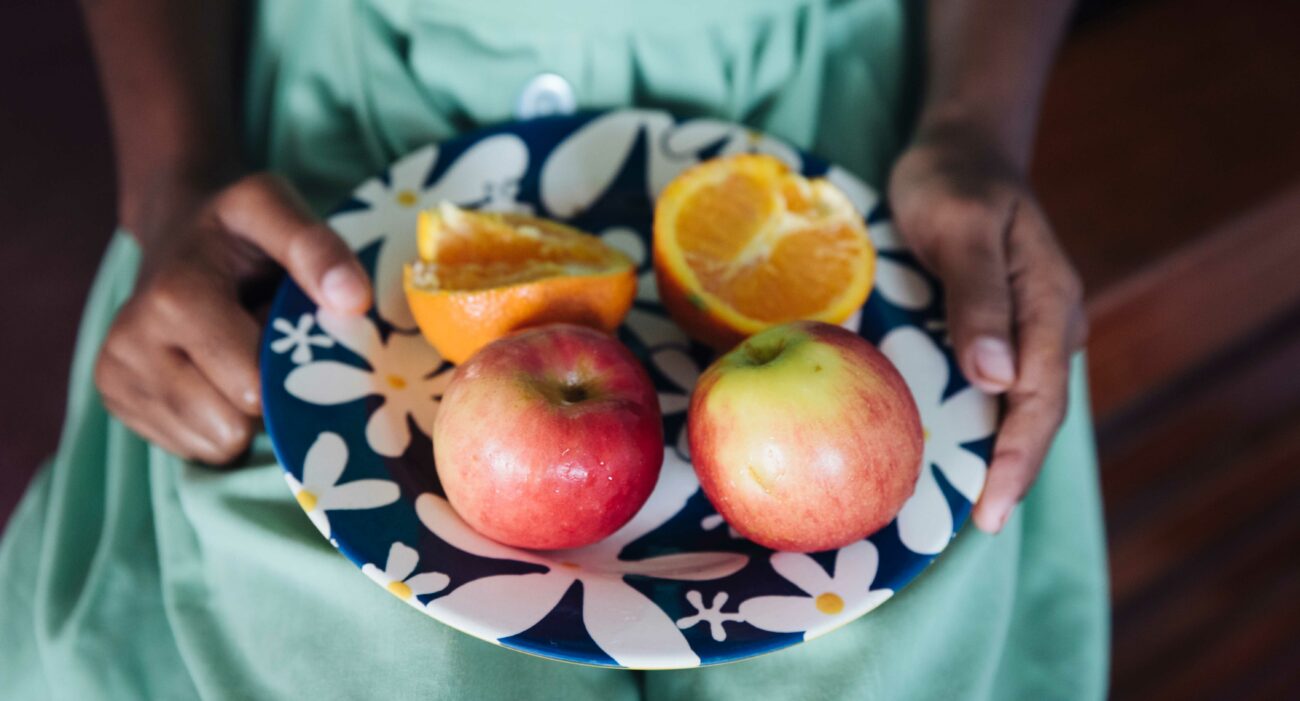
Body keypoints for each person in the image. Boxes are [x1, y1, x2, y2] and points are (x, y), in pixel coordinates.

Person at [0, 0, 1106, 698]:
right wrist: (171, 177)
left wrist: (972, 127)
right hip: (329, 192)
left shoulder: (828, 245)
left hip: (831, 192)